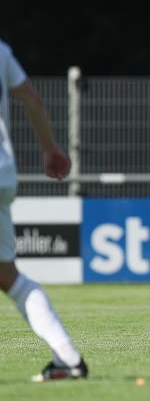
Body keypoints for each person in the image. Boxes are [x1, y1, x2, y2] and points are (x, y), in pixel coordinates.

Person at [0, 38, 88, 381]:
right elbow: (31, 99)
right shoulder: (1, 50)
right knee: (8, 277)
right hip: (3, 173)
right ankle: (67, 358)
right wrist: (50, 149)